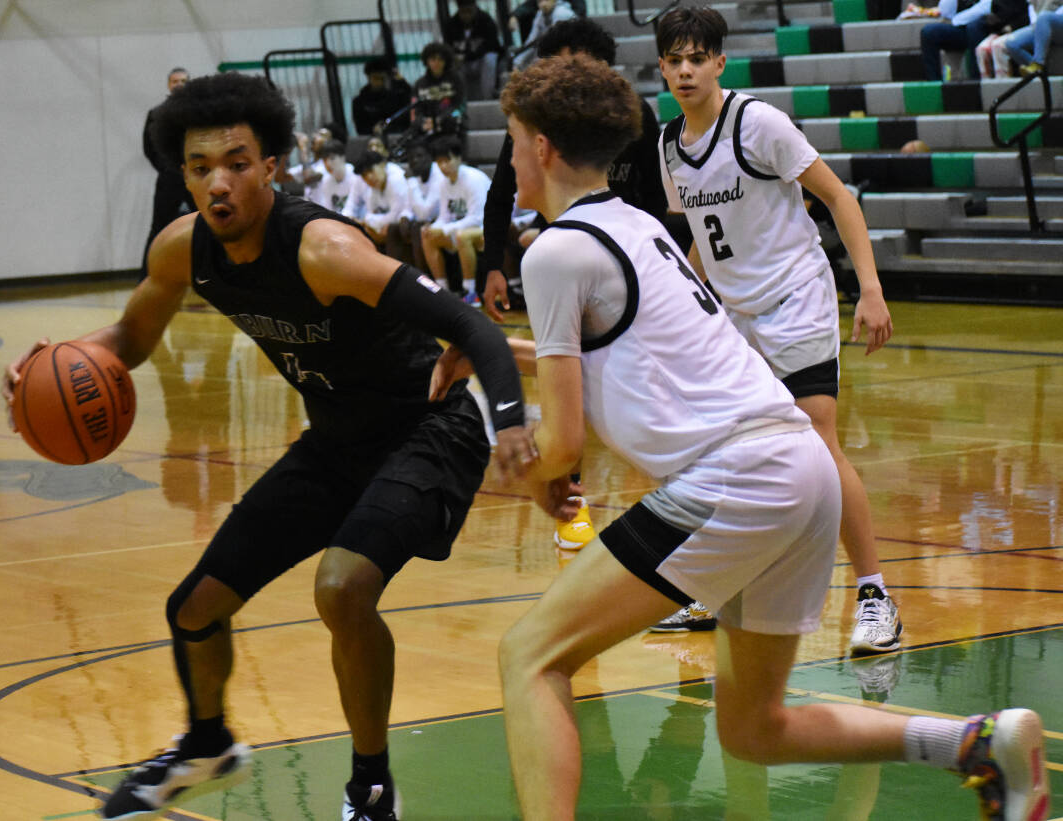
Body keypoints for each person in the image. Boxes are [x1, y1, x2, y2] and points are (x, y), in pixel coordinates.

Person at [430, 51, 1050, 821]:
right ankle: (969, 742)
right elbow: (611, 357)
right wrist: (501, 356)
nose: (512, 158)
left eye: (515, 141)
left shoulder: (557, 251)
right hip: (798, 471)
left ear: (543, 148)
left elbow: (561, 446)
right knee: (755, 727)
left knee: (529, 655)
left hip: (739, 477)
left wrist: (525, 462)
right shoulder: (634, 227)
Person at [1, 72, 535, 821]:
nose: (218, 183)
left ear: (272, 165)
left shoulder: (323, 248)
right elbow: (127, 341)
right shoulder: (183, 249)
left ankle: (372, 791)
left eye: (237, 163)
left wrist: (510, 418)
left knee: (341, 588)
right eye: (199, 169)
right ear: (182, 176)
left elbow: (473, 325)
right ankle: (207, 741)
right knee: (193, 608)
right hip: (336, 439)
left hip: (429, 426)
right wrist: (50, 361)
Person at [650, 7, 902, 649]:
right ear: (660, 67)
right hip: (736, 314)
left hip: (796, 298)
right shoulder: (668, 146)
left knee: (819, 439)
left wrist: (869, 290)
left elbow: (838, 198)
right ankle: (713, 588)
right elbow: (706, 243)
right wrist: (691, 309)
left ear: (718, 62)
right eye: (674, 59)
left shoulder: (756, 122)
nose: (685, 69)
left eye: (696, 57)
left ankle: (874, 594)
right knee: (721, 451)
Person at [480, 16, 669, 557]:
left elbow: (654, 196)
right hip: (588, 248)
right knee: (573, 374)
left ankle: (669, 504)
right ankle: (579, 507)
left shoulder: (637, 119)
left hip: (623, 255)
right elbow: (499, 193)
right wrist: (492, 267)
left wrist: (531, 468)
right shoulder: (559, 245)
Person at [420, 135, 490, 299]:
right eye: (439, 162)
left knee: (462, 236)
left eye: (447, 160)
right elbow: (445, 216)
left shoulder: (474, 179)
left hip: (488, 228)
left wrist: (444, 229)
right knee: (427, 236)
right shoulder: (444, 183)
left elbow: (477, 218)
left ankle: (470, 291)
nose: (443, 166)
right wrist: (434, 228)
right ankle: (441, 289)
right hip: (464, 228)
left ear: (459, 158)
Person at [141, 67, 193, 278]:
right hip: (169, 179)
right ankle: (146, 277)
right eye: (175, 81)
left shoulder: (200, 113)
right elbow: (149, 148)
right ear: (169, 85)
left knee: (211, 225)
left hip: (195, 178)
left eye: (183, 80)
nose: (179, 84)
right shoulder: (156, 114)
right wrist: (166, 168)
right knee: (158, 229)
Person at [921, 0, 1030, 79]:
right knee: (929, 32)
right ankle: (934, 84)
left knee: (974, 26)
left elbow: (986, 7)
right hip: (964, 27)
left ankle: (976, 81)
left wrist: (959, 19)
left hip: (994, 25)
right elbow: (946, 12)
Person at [344, 150, 414, 262]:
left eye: (371, 171)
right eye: (365, 176)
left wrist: (371, 221)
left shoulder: (396, 179)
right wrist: (371, 222)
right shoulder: (375, 184)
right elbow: (370, 213)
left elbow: (395, 216)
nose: (369, 177)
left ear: (382, 165)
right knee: (364, 230)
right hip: (388, 225)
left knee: (391, 229)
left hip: (409, 221)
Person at [445, 0, 504, 100]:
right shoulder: (451, 24)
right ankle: (461, 101)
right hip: (462, 64)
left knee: (490, 58)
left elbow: (492, 46)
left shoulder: (486, 20)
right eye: (463, 12)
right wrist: (455, 58)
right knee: (452, 64)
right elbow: (447, 47)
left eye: (469, 11)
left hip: (480, 61)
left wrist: (465, 56)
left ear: (475, 8)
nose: (466, 15)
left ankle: (488, 98)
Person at [402, 140, 445, 272]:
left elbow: (425, 214)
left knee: (418, 228)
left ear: (430, 157)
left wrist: (411, 182)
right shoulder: (418, 176)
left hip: (449, 219)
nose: (414, 161)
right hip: (434, 220)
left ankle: (425, 278)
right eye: (411, 158)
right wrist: (404, 217)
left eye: (419, 156)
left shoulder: (439, 175)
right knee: (400, 228)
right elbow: (409, 206)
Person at [412, 42, 467, 141]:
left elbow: (460, 107)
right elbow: (416, 110)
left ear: (446, 61)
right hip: (427, 126)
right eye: (433, 59)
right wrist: (423, 122)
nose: (436, 63)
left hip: (451, 123)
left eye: (440, 59)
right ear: (427, 61)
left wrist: (439, 120)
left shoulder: (455, 80)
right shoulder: (419, 84)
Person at [352, 56, 413, 136]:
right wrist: (372, 130)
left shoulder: (397, 98)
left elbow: (406, 121)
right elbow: (361, 128)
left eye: (382, 78)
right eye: (375, 78)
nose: (379, 82)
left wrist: (402, 82)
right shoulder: (360, 102)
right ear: (368, 78)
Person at [513, 0, 577, 69]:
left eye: (546, 0)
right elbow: (531, 40)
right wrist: (517, 63)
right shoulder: (540, 14)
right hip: (555, 55)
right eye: (540, 1)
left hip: (571, 54)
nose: (543, 4)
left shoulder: (561, 13)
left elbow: (554, 44)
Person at [1006, 0, 1063, 73]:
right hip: (1041, 23)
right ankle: (1037, 70)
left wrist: (1043, 21)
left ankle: (1038, 62)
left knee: (1044, 16)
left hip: (1058, 22)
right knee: (1011, 43)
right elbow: (1031, 7)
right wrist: (1038, 24)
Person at [313, 139, 358, 214]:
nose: (328, 164)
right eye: (324, 160)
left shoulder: (355, 176)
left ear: (343, 157)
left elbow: (353, 208)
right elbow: (328, 209)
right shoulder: (326, 181)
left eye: (332, 158)